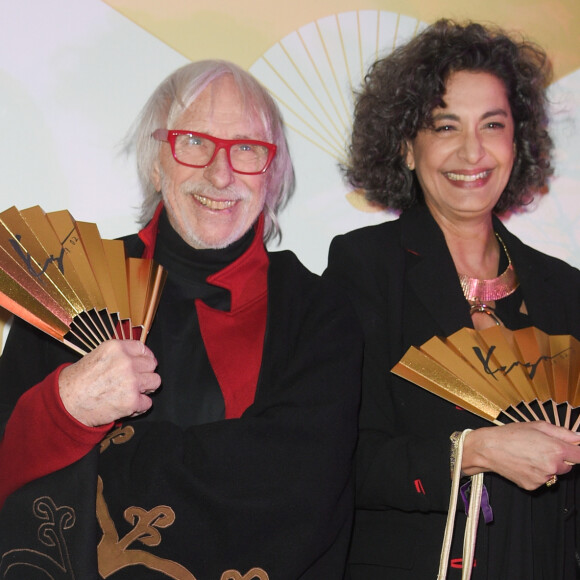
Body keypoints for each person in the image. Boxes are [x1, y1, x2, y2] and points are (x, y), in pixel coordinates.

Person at [0, 60, 362, 579]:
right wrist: (63, 406)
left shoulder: (320, 313)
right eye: (194, 141)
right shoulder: (68, 280)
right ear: (156, 161)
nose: (221, 173)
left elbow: (300, 494)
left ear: (272, 172)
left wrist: (103, 450)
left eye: (246, 148)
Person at [324, 19, 580, 580]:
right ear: (407, 148)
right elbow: (337, 458)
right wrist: (474, 451)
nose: (473, 151)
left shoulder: (565, 289)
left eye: (493, 124)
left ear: (519, 140)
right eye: (445, 126)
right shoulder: (364, 268)